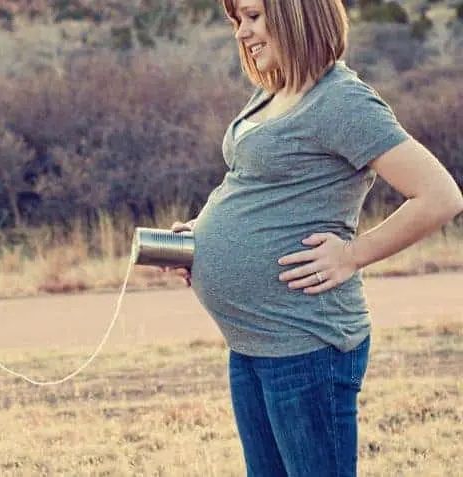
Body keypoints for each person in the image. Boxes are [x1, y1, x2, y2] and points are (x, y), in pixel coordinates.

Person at [166, 0, 463, 475]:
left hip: (306, 345)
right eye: (239, 21)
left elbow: (440, 196)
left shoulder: (342, 100)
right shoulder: (274, 91)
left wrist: (351, 255)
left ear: (296, 13)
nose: (243, 33)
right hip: (252, 343)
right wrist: (198, 236)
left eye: (254, 16)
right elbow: (252, 183)